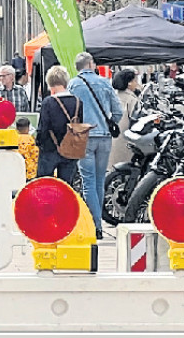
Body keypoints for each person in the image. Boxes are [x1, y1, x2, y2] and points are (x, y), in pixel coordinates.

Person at [67, 52, 122, 239]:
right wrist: (109, 122)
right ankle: (97, 222)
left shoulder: (73, 84)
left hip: (83, 136)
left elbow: (70, 111)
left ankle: (95, 225)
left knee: (88, 180)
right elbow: (118, 111)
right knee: (99, 180)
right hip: (104, 136)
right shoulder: (105, 82)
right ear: (91, 64)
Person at [36, 65, 81, 187]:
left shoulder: (48, 103)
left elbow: (43, 128)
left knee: (44, 184)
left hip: (50, 148)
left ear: (50, 83)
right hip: (71, 149)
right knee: (66, 186)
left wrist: (39, 143)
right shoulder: (77, 102)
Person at [110, 68, 141, 169]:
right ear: (129, 83)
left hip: (112, 139)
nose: (136, 83)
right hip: (124, 140)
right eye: (135, 80)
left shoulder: (113, 96)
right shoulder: (131, 100)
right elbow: (137, 120)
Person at [16, 117, 38, 181]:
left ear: (17, 128)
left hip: (17, 170)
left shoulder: (13, 139)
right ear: (28, 128)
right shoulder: (31, 140)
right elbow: (35, 155)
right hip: (30, 172)